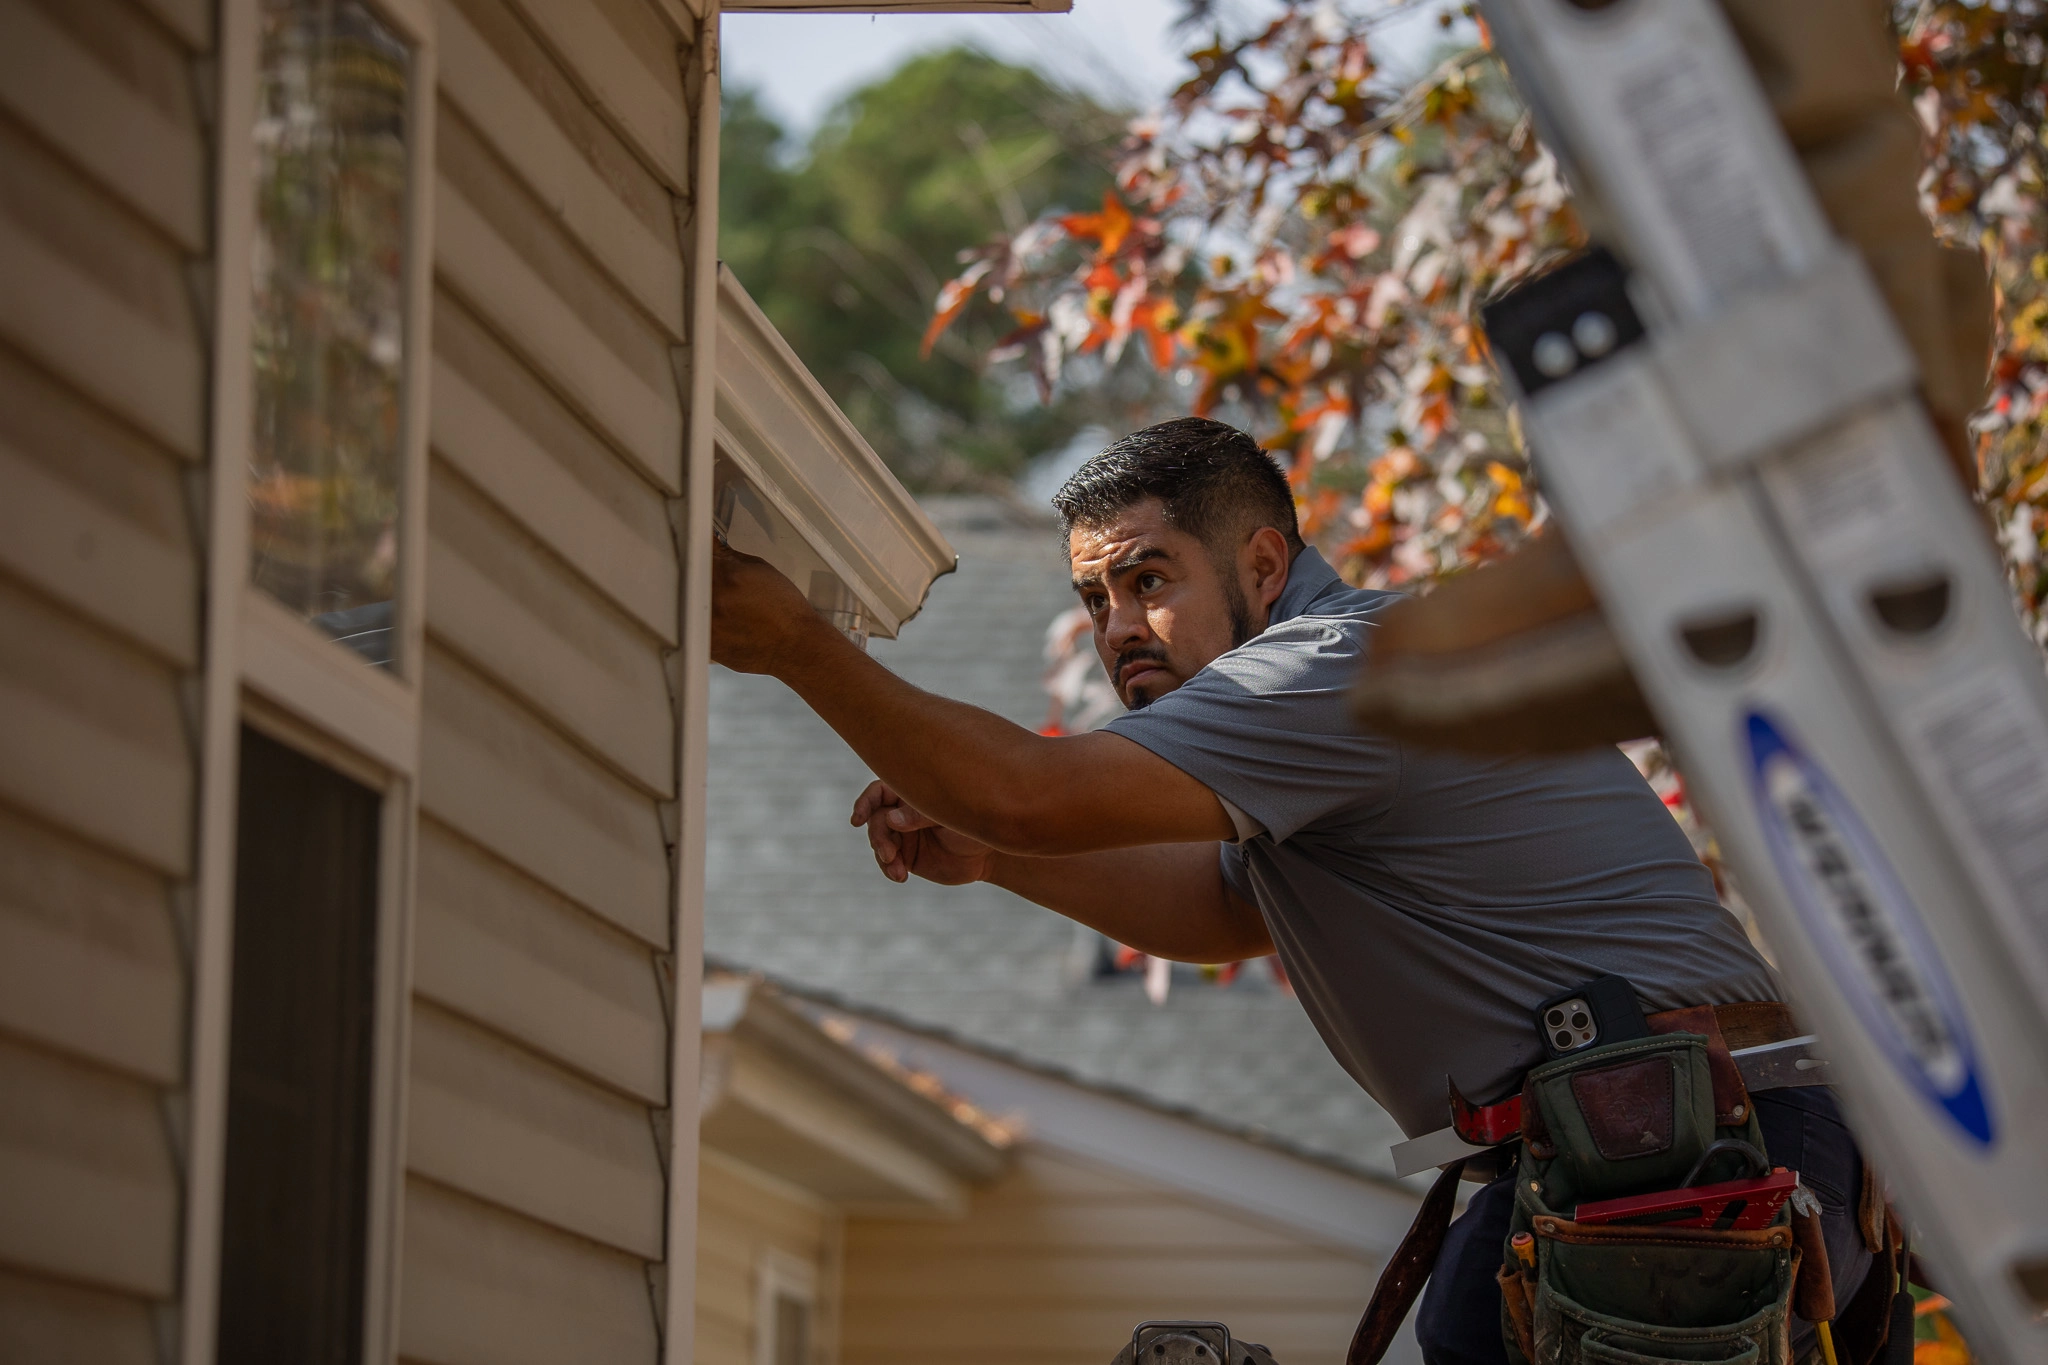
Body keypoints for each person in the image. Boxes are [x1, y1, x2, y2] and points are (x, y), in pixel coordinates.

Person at [709, 416, 1870, 1365]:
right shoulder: (1323, 739)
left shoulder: (1329, 672)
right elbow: (1224, 910)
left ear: (1262, 565)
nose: (1117, 630)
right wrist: (1002, 860)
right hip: (1632, 1159)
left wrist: (802, 645)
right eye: (1093, 601)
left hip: (1683, 1160)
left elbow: (1030, 791)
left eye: (1146, 581)